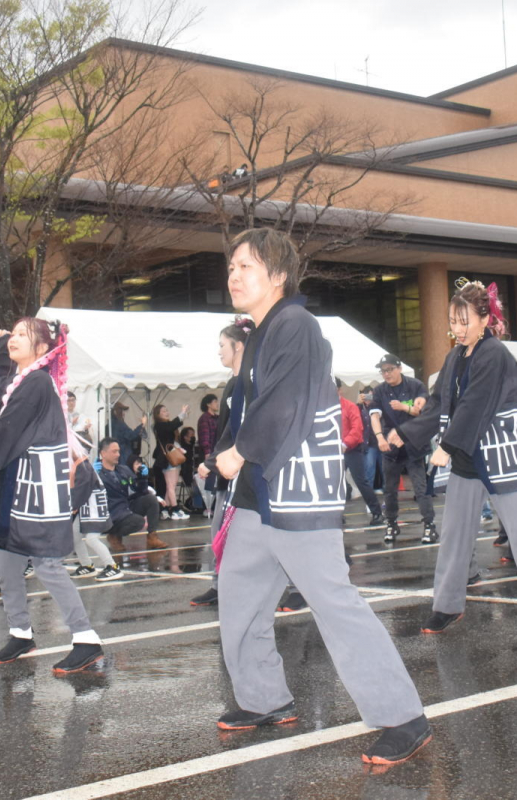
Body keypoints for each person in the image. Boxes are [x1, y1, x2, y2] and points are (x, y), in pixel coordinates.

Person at [212, 228, 430, 765]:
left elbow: (284, 402)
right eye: (232, 266)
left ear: (279, 275)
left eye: (247, 266)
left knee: (334, 602)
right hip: (256, 496)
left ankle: (403, 716)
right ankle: (264, 699)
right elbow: (243, 404)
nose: (235, 274)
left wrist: (239, 452)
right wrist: (229, 449)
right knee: (239, 596)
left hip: (295, 491)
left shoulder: (296, 325)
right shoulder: (261, 330)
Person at [394, 281, 517, 644]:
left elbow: (475, 404)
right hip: (468, 458)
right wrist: (410, 431)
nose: (457, 328)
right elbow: (439, 403)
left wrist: (445, 446)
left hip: (502, 458)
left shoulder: (494, 354)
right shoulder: (454, 357)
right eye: (452, 321)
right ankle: (447, 604)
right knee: (454, 534)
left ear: (484, 318)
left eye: (464, 321)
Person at [0, 319, 106, 673]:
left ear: (43, 349)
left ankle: (86, 638)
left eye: (22, 335)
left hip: (38, 486)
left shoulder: (36, 383)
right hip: (20, 483)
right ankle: (20, 632)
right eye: (13, 333)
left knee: (47, 563)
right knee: (9, 561)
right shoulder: (26, 381)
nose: (14, 338)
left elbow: (8, 427)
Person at [192, 317, 255, 607]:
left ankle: (291, 586)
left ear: (238, 346)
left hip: (244, 469)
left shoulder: (250, 382)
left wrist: (215, 460)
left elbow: (240, 431)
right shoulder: (235, 383)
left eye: (222, 345)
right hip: (229, 470)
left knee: (256, 533)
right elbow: (229, 430)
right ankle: (221, 585)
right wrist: (214, 460)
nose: (219, 351)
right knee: (221, 530)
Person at [370, 353, 437, 544]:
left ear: (399, 368)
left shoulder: (415, 385)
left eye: (390, 369)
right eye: (383, 371)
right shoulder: (380, 391)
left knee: (420, 488)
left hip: (413, 443)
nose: (386, 374)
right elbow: (374, 416)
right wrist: (379, 437)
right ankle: (391, 523)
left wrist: (403, 407)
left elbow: (420, 409)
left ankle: (429, 525)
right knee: (389, 489)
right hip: (391, 446)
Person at [97, 439, 169, 553]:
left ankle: (152, 537)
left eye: (118, 451)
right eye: (114, 451)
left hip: (125, 507)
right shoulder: (96, 472)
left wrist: (142, 478)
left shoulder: (123, 470)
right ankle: (114, 535)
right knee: (137, 521)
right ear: (103, 453)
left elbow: (140, 490)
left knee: (151, 499)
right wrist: (92, 475)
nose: (118, 455)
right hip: (109, 512)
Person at [339, 378, 383, 526]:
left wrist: (345, 443)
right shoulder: (327, 407)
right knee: (335, 483)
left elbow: (357, 429)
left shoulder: (350, 406)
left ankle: (377, 512)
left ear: (340, 390)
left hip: (351, 449)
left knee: (362, 481)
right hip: (335, 449)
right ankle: (336, 514)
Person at [151, 403, 189, 520]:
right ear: (158, 415)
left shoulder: (165, 425)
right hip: (167, 459)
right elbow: (171, 426)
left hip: (172, 458)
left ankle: (165, 508)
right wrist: (182, 414)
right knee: (171, 486)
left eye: (167, 410)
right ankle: (175, 509)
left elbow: (172, 426)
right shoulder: (159, 425)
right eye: (163, 411)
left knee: (170, 486)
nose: (167, 412)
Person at [197, 392, 221, 515]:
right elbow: (204, 437)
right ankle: (208, 507)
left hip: (218, 453)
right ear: (208, 404)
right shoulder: (204, 419)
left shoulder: (217, 418)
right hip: (210, 453)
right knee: (209, 481)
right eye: (215, 401)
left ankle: (215, 506)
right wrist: (207, 453)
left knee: (218, 480)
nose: (217, 404)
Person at [110, 402, 146, 467]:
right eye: (121, 411)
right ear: (115, 412)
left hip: (114, 456)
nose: (123, 413)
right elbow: (131, 435)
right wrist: (142, 424)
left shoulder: (109, 425)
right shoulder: (120, 424)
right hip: (123, 456)